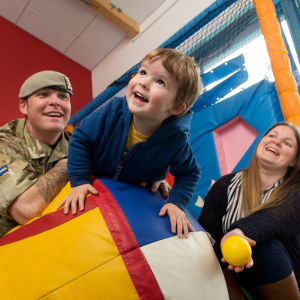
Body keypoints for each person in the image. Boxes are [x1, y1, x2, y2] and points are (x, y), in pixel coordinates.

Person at [58, 48, 202, 238]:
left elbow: (190, 173)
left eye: (160, 82)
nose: (143, 82)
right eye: (143, 72)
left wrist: (177, 202)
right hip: (96, 176)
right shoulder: (113, 110)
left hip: (131, 194)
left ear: (176, 107)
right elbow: (81, 139)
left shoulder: (176, 140)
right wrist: (79, 181)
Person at [198, 122, 300, 300]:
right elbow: (204, 233)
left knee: (262, 245)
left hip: (284, 277)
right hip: (235, 275)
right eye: (272, 135)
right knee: (207, 250)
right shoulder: (224, 186)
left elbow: (272, 219)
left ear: (293, 161)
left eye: (287, 143)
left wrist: (237, 233)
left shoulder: (296, 192)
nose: (276, 142)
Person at [0, 71, 73, 237]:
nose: (55, 102)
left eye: (63, 96)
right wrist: (70, 162)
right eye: (43, 94)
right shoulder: (4, 142)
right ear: (23, 106)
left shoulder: (79, 142)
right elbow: (25, 210)